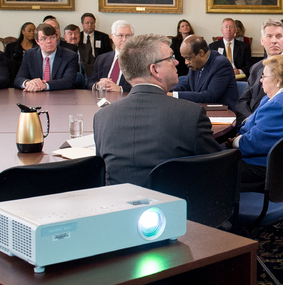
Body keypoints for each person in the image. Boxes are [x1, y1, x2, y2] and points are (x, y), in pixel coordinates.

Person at [94, 34, 221, 187]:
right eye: (171, 58)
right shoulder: (190, 115)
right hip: (174, 201)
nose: (176, 62)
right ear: (154, 69)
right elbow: (218, 168)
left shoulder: (102, 117)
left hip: (118, 201)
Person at [232, 55, 283, 193]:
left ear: (278, 80)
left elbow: (253, 144)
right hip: (279, 157)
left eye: (264, 76)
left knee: (220, 167)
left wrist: (234, 141)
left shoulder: (278, 105)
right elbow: (249, 125)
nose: (261, 80)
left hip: (277, 166)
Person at [235, 19, 283, 121]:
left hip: (279, 125)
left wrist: (261, 120)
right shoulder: (255, 68)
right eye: (269, 36)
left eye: (278, 36)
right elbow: (242, 102)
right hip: (251, 123)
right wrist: (251, 120)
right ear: (262, 41)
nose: (274, 41)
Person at [173, 35, 239, 111]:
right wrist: (165, 92)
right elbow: (184, 86)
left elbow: (210, 96)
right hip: (201, 110)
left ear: (201, 53)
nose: (186, 62)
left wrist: (174, 95)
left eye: (188, 58)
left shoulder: (221, 64)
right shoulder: (195, 65)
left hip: (222, 112)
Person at [14, 23, 80, 92]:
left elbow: (69, 81)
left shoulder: (70, 56)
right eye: (44, 38)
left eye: (52, 37)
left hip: (60, 95)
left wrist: (45, 85)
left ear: (57, 38)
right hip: (35, 96)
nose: (49, 41)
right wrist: (28, 83)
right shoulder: (29, 55)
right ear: (37, 41)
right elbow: (18, 79)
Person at [90, 20, 135, 93]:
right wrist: (97, 85)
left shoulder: (138, 60)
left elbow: (142, 86)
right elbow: (90, 83)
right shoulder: (102, 59)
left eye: (128, 35)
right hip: (103, 97)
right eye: (120, 35)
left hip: (125, 98)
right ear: (113, 37)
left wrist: (120, 89)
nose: (124, 39)